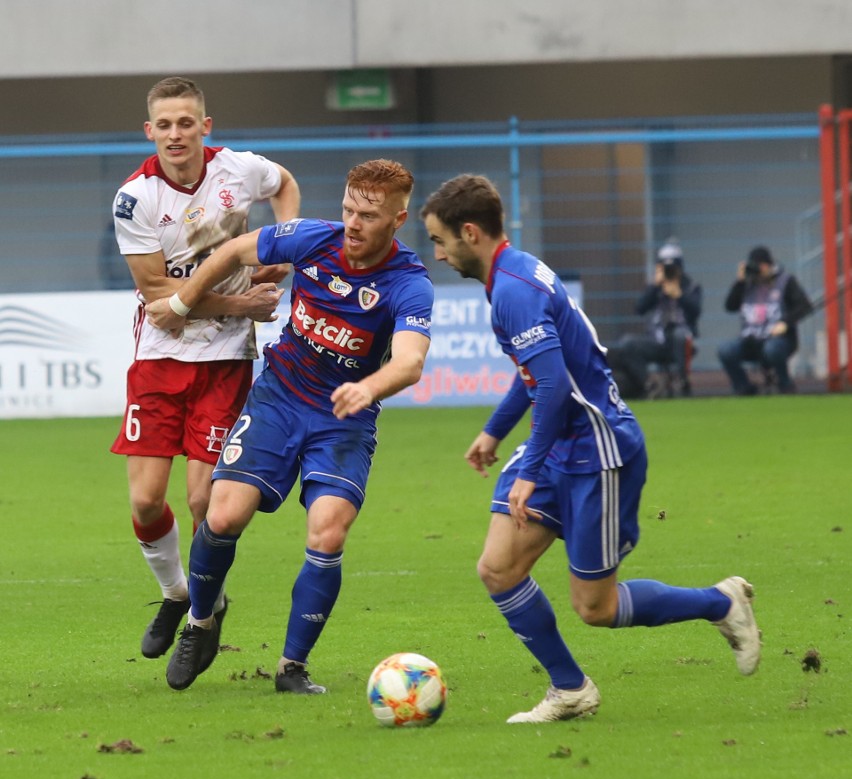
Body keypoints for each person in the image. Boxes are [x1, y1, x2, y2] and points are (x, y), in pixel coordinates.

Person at [420, 174, 760, 724]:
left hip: (596, 451)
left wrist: (527, 468)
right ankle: (570, 689)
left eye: (439, 240)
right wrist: (496, 430)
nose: (436, 254)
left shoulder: (513, 290)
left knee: (595, 609)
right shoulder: (512, 272)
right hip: (558, 442)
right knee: (498, 567)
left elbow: (554, 387)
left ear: (470, 232)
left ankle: (720, 603)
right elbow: (539, 375)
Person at [145, 159, 433, 693]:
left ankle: (292, 668)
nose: (352, 222)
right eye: (348, 208)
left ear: (398, 218)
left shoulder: (409, 284)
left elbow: (410, 362)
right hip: (279, 397)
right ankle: (201, 622)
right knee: (222, 513)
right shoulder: (311, 239)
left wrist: (369, 388)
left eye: (367, 215)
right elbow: (233, 250)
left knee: (328, 531)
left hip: (343, 418)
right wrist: (184, 302)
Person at [110, 76, 301, 665]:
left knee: (202, 504)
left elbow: (285, 185)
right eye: (164, 124)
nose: (175, 134)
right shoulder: (135, 197)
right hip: (159, 358)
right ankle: (176, 593)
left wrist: (284, 252)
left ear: (204, 126)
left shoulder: (239, 169)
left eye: (185, 122)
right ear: (150, 131)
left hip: (223, 362)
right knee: (145, 502)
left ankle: (205, 613)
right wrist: (242, 302)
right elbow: (156, 290)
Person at [609, 239, 702, 398]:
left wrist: (679, 295)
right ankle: (649, 384)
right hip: (656, 340)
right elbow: (639, 308)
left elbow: (695, 312)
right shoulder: (655, 287)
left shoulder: (691, 286)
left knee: (680, 335)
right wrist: (654, 286)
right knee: (628, 342)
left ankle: (683, 382)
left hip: (682, 341)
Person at [717, 245, 813, 395]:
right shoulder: (746, 284)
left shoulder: (785, 282)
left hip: (778, 340)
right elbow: (730, 306)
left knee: (772, 349)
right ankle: (743, 387)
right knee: (725, 350)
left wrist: (785, 323)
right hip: (750, 340)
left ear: (767, 265)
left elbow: (804, 306)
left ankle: (785, 384)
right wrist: (739, 282)